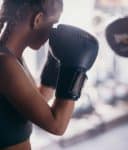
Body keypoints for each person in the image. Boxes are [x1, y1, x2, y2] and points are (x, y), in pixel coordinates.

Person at [0, 0, 99, 149]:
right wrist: (74, 69)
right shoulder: (4, 63)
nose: (52, 33)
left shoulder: (13, 58)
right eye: (53, 24)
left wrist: (55, 62)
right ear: (38, 19)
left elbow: (38, 100)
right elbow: (57, 125)